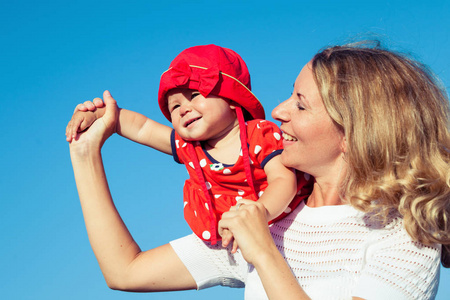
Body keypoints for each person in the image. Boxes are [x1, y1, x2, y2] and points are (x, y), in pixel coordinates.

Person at [67, 41, 450, 299]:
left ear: (355, 133)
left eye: (300, 105)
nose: (279, 110)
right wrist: (85, 155)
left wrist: (265, 254)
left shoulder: (407, 235)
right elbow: (126, 271)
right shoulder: (267, 217)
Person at [66, 44, 313, 249]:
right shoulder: (189, 147)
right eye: (174, 106)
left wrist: (259, 213)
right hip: (228, 233)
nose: (183, 108)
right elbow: (142, 128)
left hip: (279, 219)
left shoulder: (258, 133)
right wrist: (102, 114)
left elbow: (283, 180)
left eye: (194, 96)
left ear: (231, 99)